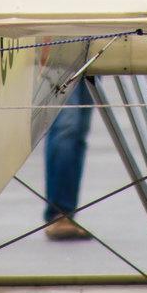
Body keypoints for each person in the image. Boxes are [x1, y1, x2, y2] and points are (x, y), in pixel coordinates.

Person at [40, 81, 94, 242]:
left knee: (78, 128)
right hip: (61, 59)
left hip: (88, 57)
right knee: (67, 125)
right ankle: (59, 213)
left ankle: (64, 212)